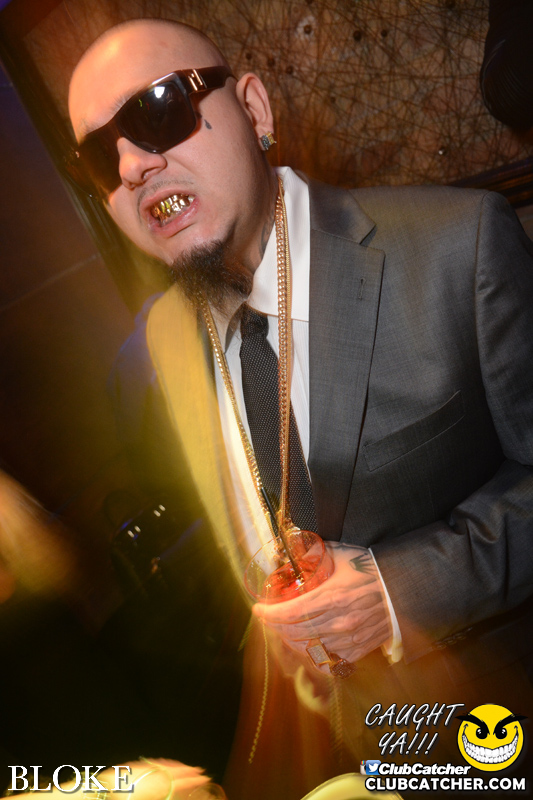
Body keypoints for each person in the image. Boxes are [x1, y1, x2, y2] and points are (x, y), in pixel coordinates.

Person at [67, 17, 533, 799]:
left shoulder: (459, 248)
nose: (131, 164)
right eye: (96, 157)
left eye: (157, 110)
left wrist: (399, 589)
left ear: (253, 108)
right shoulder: (165, 336)